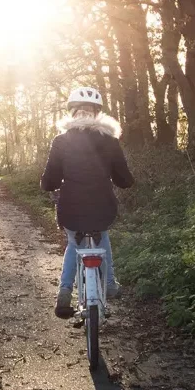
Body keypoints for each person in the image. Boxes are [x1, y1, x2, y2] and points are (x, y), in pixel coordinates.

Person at [40, 87, 134, 318]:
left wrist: (48, 185)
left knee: (74, 243)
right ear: (97, 114)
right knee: (103, 235)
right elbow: (124, 179)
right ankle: (109, 283)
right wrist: (122, 180)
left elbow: (50, 180)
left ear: (72, 113)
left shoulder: (61, 141)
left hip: (71, 206)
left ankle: (64, 291)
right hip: (103, 205)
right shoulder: (110, 140)